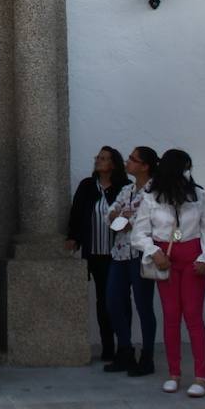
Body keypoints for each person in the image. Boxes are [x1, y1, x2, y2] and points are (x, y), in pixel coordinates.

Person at [131, 149, 205, 397]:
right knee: (171, 315)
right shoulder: (151, 197)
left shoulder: (199, 195)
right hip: (165, 258)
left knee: (193, 314)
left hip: (192, 257)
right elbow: (138, 233)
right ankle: (174, 373)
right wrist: (152, 251)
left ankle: (201, 376)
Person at [65, 146, 127, 365]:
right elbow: (77, 213)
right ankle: (108, 346)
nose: (98, 161)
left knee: (120, 300)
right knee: (103, 300)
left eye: (103, 158)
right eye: (98, 157)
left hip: (119, 253)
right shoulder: (88, 186)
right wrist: (73, 237)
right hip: (96, 252)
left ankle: (125, 346)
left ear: (113, 164)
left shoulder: (124, 188)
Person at [105, 147, 160, 376]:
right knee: (113, 301)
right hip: (119, 253)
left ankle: (147, 356)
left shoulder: (155, 190)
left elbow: (145, 220)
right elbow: (111, 214)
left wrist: (125, 218)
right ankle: (125, 349)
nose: (128, 162)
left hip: (141, 254)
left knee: (143, 305)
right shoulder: (127, 189)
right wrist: (121, 217)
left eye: (133, 160)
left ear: (145, 166)